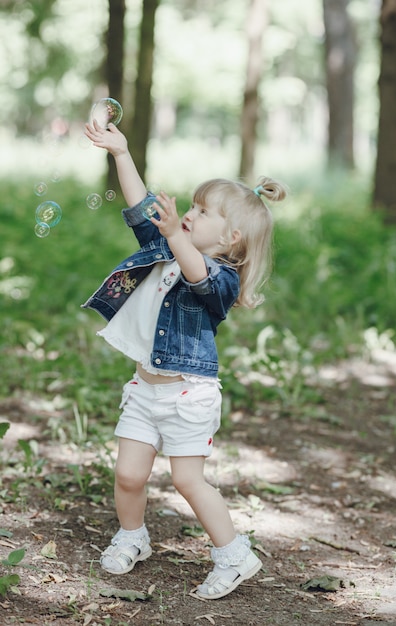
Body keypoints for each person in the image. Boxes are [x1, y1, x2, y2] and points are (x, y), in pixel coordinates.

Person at [83, 119, 287, 600]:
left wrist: (176, 233)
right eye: (191, 206)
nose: (189, 214)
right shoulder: (166, 246)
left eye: (202, 212)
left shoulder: (221, 277)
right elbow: (139, 205)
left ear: (232, 237)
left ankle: (236, 555)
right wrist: (121, 154)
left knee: (187, 480)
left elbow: (197, 275)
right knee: (128, 474)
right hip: (144, 391)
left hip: (188, 397)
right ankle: (133, 537)